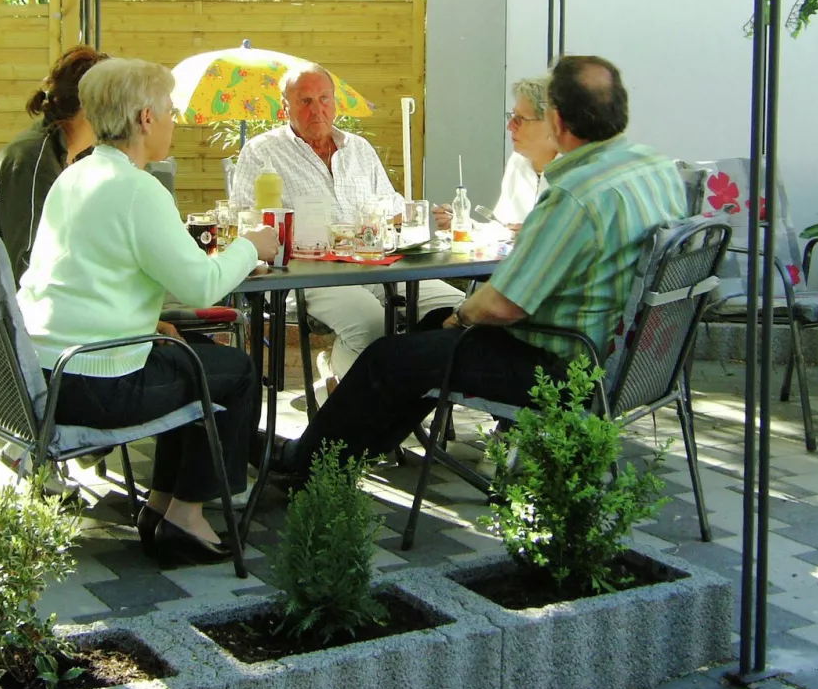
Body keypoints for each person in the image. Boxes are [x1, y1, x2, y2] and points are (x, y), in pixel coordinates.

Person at [276, 55, 685, 475]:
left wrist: (462, 314)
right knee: (418, 342)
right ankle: (342, 457)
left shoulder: (576, 192)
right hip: (634, 361)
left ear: (557, 121)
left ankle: (305, 466)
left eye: (521, 119)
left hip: (563, 365)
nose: (514, 126)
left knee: (391, 357)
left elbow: (503, 305)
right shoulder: (657, 168)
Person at [17, 58, 281, 567]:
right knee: (235, 371)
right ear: (144, 118)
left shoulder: (75, 176)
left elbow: (100, 276)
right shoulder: (140, 190)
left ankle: (161, 506)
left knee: (191, 356)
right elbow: (202, 285)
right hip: (98, 382)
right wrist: (253, 246)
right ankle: (187, 512)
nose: (174, 119)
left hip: (50, 369)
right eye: (169, 110)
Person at [229, 63, 460, 385]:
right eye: (305, 101)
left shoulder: (359, 149)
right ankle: (347, 408)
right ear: (285, 107)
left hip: (379, 266)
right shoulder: (262, 152)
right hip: (308, 274)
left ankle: (402, 391)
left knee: (459, 310)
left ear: (335, 102)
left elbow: (393, 209)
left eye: (324, 98)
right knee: (371, 325)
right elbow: (247, 223)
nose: (317, 109)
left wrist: (428, 217)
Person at [0, 46, 108, 279]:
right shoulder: (34, 160)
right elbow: (27, 264)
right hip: (6, 306)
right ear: (90, 104)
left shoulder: (72, 155)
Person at [493, 76, 559, 227]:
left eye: (520, 119)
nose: (510, 127)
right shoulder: (518, 160)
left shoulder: (575, 171)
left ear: (552, 122)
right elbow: (503, 226)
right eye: (512, 116)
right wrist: (463, 225)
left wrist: (533, 234)